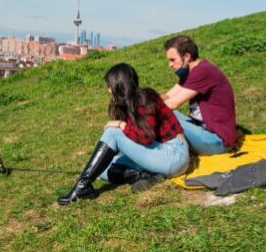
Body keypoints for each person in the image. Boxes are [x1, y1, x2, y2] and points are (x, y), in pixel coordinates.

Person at [57, 63, 190, 205]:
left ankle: (82, 187)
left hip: (174, 154)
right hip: (160, 153)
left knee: (112, 133)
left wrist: (120, 125)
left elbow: (145, 137)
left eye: (109, 85)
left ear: (119, 85)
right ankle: (146, 175)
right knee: (103, 170)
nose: (108, 90)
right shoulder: (129, 103)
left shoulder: (145, 99)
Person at [160, 36, 238, 156]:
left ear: (187, 57)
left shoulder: (202, 71)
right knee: (165, 114)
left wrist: (138, 112)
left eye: (172, 60)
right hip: (205, 132)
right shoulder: (191, 73)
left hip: (218, 141)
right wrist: (142, 101)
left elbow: (172, 103)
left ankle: (161, 155)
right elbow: (167, 96)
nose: (170, 65)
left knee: (164, 115)